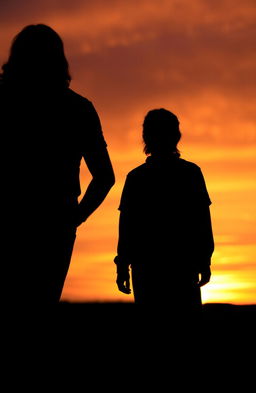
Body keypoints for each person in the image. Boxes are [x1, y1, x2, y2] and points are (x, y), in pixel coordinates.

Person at [0, 24, 115, 304]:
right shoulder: (79, 108)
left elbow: (105, 177)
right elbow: (105, 176)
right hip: (54, 225)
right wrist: (76, 216)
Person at [114, 109, 214, 312]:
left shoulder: (136, 178)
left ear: (145, 137)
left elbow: (127, 228)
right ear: (177, 135)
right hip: (180, 266)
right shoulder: (191, 173)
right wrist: (204, 260)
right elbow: (202, 222)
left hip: (150, 268)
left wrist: (123, 264)